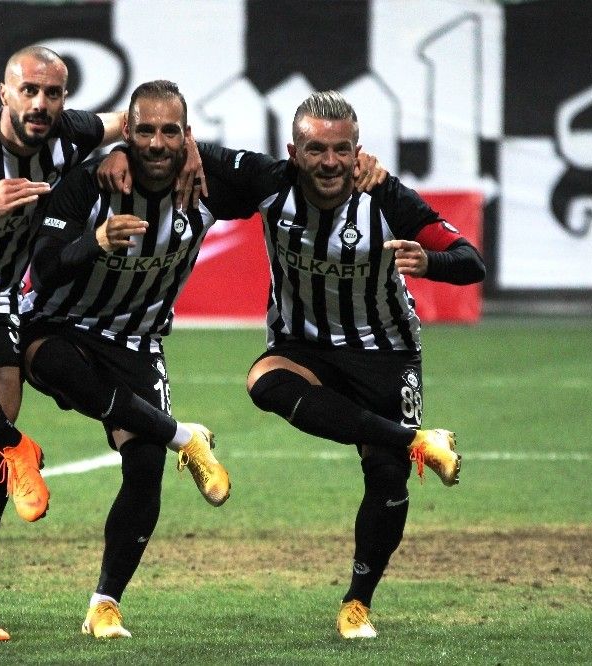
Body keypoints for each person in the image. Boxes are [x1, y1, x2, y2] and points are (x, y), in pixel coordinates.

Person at [20, 80, 385, 639]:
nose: (157, 143)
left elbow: (291, 174)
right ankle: (182, 436)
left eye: (171, 132)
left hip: (137, 341)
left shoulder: (207, 180)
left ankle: (104, 605)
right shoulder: (91, 181)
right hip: (60, 325)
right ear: (128, 133)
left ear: (187, 136)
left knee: (144, 466)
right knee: (50, 365)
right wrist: (96, 241)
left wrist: (364, 169)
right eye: (145, 131)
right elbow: (43, 271)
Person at [0, 46, 201, 642]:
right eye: (28, 91)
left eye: (52, 94)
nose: (39, 104)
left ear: (63, 99)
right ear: (5, 93)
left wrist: (180, 149)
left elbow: (139, 123)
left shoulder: (70, 134)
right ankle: (16, 444)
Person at [197, 90, 485, 639]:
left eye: (341, 149)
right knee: (263, 382)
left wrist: (430, 261)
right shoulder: (269, 182)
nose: (329, 161)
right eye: (316, 149)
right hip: (304, 345)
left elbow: (471, 262)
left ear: (358, 152)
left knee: (387, 477)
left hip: (385, 351)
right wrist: (168, 151)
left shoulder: (387, 197)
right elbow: (194, 148)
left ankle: (358, 602)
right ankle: (418, 440)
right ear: (293, 152)